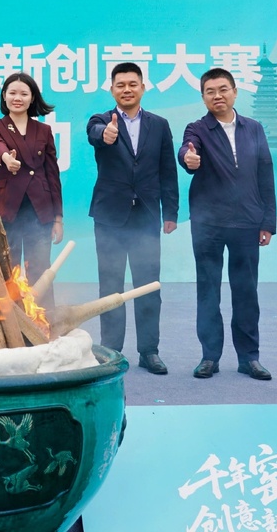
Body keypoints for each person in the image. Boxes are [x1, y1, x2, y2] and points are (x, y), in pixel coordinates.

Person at [179, 68, 276, 381]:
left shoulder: (254, 128)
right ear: (203, 97)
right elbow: (187, 151)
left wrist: (267, 221)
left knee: (246, 291)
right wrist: (188, 159)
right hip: (208, 224)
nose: (217, 96)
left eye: (223, 89)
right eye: (210, 91)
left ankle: (249, 358)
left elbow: (265, 174)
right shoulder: (197, 129)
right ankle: (210, 357)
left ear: (235, 92)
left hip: (247, 222)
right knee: (208, 290)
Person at [87, 62, 179, 375]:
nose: (127, 89)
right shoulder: (101, 120)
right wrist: (106, 134)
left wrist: (171, 212)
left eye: (132, 84)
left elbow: (168, 170)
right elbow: (95, 135)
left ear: (142, 87)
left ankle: (149, 351)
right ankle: (111, 350)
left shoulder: (160, 125)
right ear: (112, 89)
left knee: (148, 287)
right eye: (120, 85)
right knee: (111, 287)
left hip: (147, 217)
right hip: (110, 218)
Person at [0, 72, 63, 293]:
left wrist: (58, 218)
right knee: (7, 270)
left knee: (40, 269)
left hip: (40, 210)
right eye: (12, 93)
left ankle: (43, 314)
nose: (17, 98)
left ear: (32, 97)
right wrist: (6, 158)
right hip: (6, 208)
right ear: (4, 95)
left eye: (24, 94)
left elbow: (52, 175)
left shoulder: (44, 130)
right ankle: (8, 314)